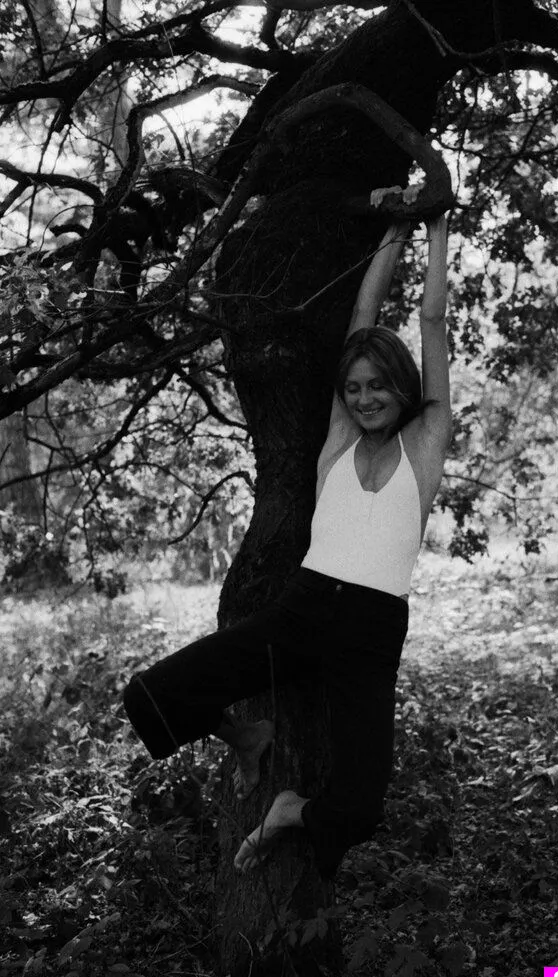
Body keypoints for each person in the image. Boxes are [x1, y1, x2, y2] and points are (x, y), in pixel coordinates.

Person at [122, 191, 451, 879]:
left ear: (402, 386)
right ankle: (245, 737)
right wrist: (392, 229)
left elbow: (430, 317)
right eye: (353, 387)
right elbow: (360, 319)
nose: (364, 398)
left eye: (378, 386)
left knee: (358, 813)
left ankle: (288, 813)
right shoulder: (338, 439)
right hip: (302, 611)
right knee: (148, 696)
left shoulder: (423, 444)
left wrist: (435, 222)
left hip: (370, 633)